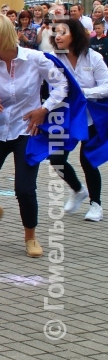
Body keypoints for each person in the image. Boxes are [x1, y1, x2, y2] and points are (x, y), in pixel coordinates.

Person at [0, 14, 72, 258]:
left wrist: (44, 109)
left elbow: (62, 85)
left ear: (0, 37)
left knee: (25, 190)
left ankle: (30, 236)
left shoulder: (35, 59)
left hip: (26, 131)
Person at [49, 20, 107, 222]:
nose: (58, 36)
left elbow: (106, 86)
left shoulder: (94, 58)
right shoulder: (55, 59)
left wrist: (83, 93)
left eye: (63, 32)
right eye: (56, 32)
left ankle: (96, 204)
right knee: (56, 159)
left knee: (88, 159)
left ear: (75, 34)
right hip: (65, 116)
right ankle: (78, 190)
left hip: (91, 115)